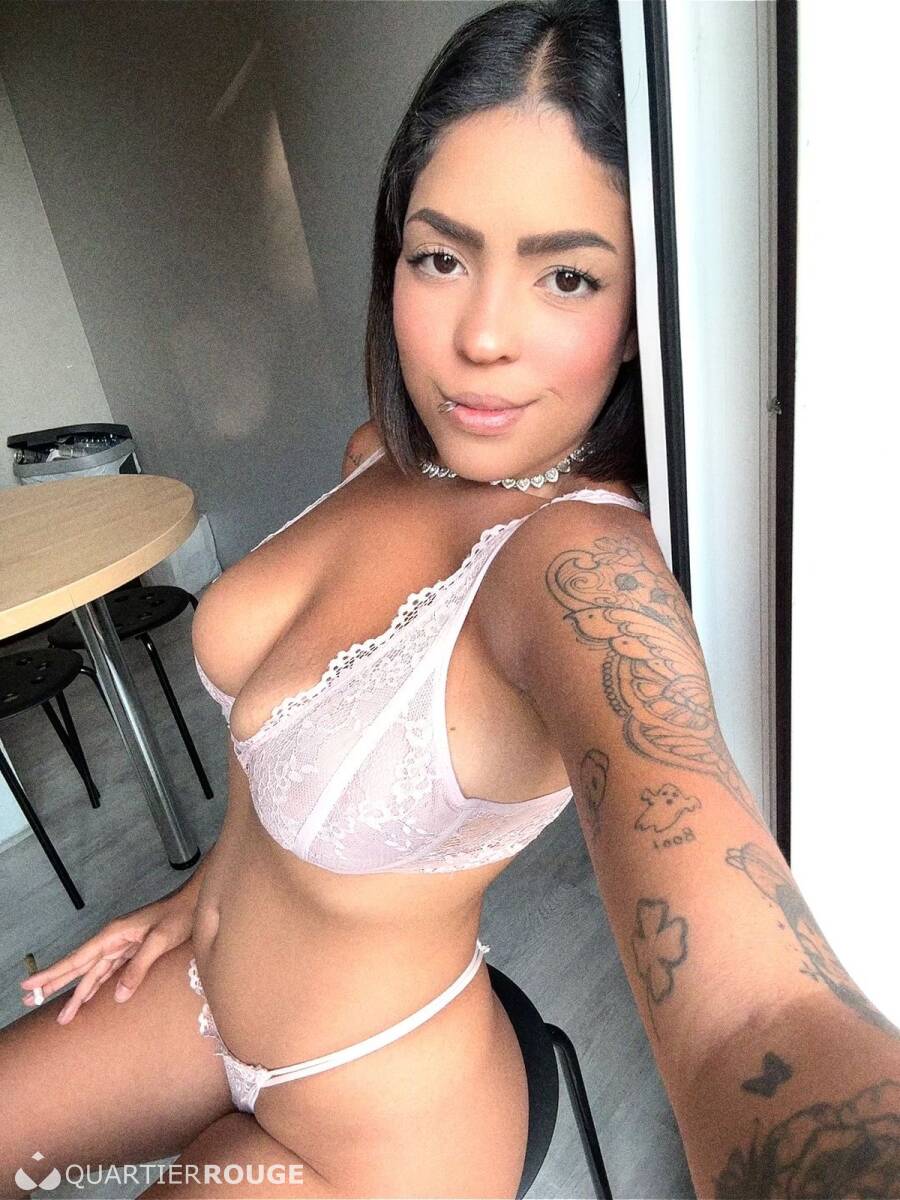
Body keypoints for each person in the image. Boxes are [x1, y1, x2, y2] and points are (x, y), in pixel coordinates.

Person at [3, 0, 899, 1196]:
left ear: (638, 315)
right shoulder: (377, 456)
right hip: (201, 990)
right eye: (442, 256)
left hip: (376, 1113)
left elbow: (758, 1013)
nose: (482, 337)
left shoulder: (577, 574)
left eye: (567, 276)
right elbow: (277, 757)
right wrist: (202, 891)